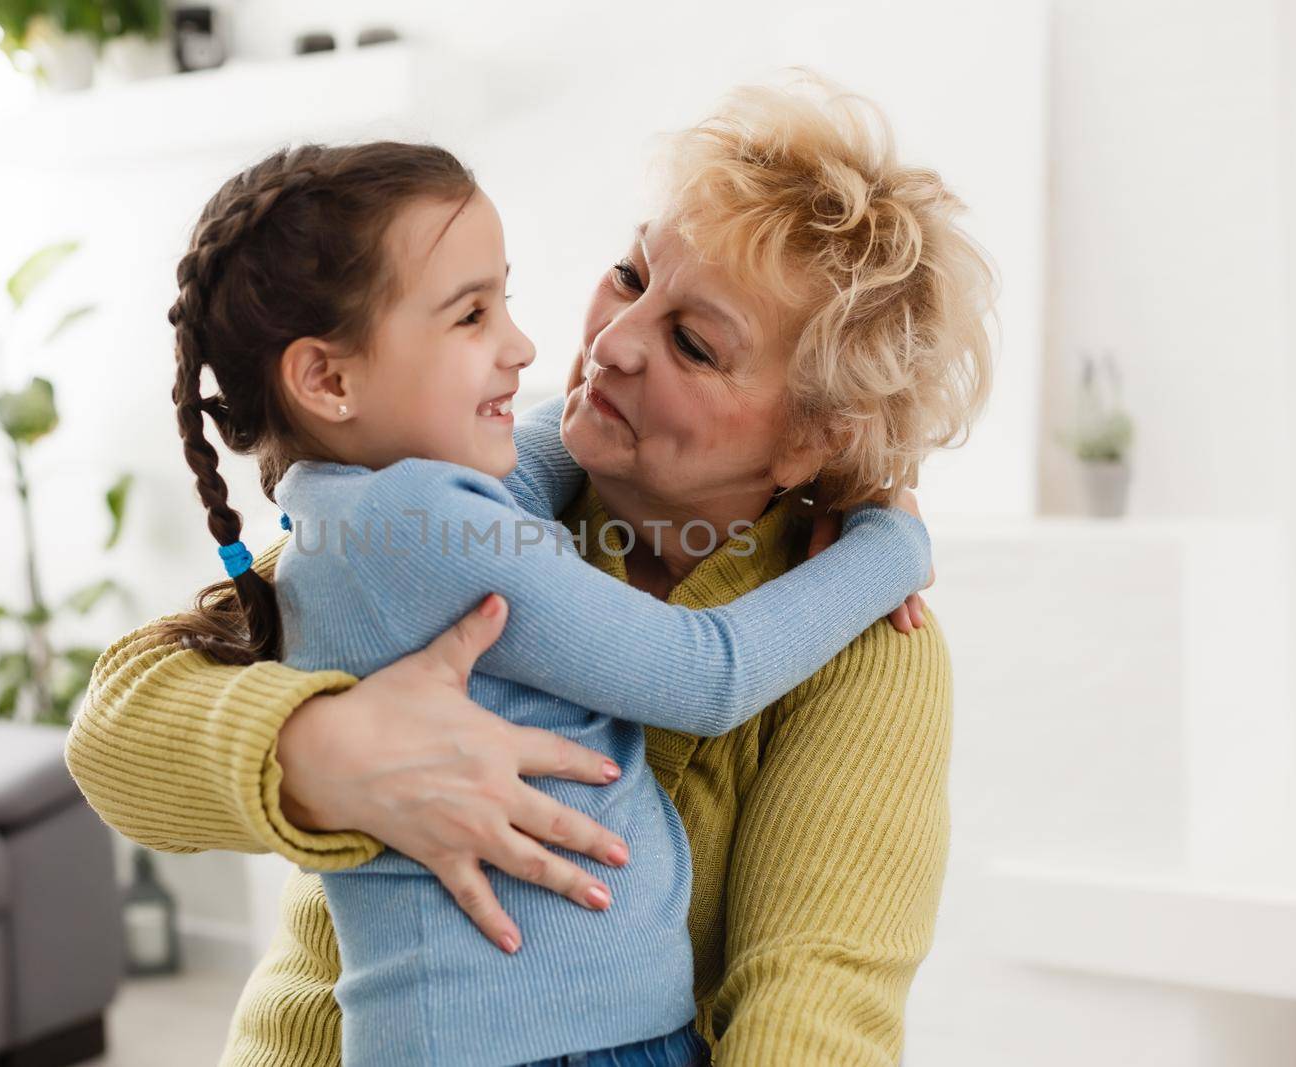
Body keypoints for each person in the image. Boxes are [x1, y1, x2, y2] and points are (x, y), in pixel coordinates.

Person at [67, 71, 994, 1066]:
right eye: (631, 276)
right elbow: (115, 738)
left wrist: (875, 525)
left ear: (809, 437)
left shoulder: (862, 646)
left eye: (691, 341)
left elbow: (819, 997)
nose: (610, 343)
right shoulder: (448, 516)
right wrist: (326, 747)